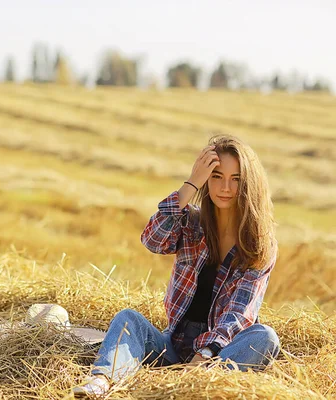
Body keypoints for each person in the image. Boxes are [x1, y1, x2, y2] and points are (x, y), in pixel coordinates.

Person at [73, 135, 280, 397]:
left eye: (236, 179)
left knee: (265, 337)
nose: (225, 187)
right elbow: (152, 239)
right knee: (128, 319)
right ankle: (101, 382)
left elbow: (240, 314)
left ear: (249, 183)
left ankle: (194, 388)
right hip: (171, 347)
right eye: (216, 176)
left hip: (219, 354)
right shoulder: (190, 222)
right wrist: (191, 183)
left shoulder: (259, 243)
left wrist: (205, 354)